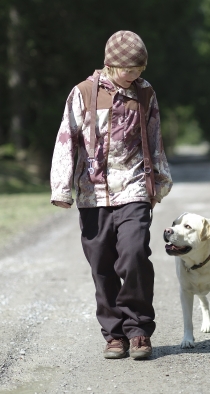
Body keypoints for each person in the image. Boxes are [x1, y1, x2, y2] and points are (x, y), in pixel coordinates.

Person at [50, 30, 173, 359]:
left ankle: (138, 330)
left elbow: (155, 136)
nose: (136, 76)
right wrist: (61, 187)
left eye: (140, 70)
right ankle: (114, 335)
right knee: (101, 265)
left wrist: (160, 179)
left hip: (133, 186)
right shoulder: (83, 93)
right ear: (111, 64)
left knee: (133, 253)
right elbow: (67, 138)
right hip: (93, 193)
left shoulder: (145, 93)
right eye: (130, 70)